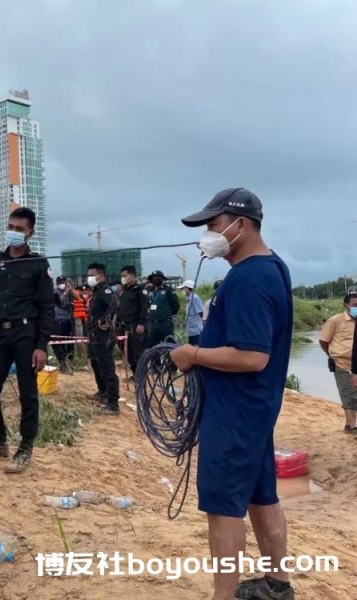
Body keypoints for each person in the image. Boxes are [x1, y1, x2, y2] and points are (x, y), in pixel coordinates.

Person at [170, 188, 294, 600]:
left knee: (223, 510)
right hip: (255, 411)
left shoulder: (248, 278)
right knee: (262, 497)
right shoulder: (271, 267)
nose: (208, 234)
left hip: (235, 413)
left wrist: (192, 354)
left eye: (213, 224)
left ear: (240, 224)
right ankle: (278, 583)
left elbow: (252, 356)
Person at [0, 207, 54, 474]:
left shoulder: (39, 264)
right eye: (11, 227)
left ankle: (25, 449)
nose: (13, 233)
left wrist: (42, 345)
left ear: (30, 232)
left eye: (19, 229)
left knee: (28, 394)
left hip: (26, 335)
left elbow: (47, 308)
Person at [320, 293, 357, 433]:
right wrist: (333, 355)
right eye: (355, 305)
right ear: (346, 305)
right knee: (347, 394)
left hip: (356, 365)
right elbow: (324, 341)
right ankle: (353, 426)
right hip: (342, 363)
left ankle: (349, 425)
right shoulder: (335, 320)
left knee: (355, 395)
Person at [86, 263, 120, 414]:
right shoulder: (97, 291)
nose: (89, 278)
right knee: (96, 364)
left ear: (100, 275)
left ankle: (113, 404)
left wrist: (105, 320)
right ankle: (102, 393)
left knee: (107, 368)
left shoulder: (105, 290)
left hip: (103, 337)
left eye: (92, 275)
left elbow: (115, 303)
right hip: (94, 335)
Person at [118, 265, 148, 377]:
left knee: (137, 352)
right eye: (122, 276)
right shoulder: (124, 290)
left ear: (133, 276)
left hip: (136, 325)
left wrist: (141, 323)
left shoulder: (140, 290)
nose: (123, 278)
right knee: (129, 353)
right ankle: (135, 374)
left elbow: (144, 308)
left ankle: (141, 376)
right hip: (124, 326)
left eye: (125, 276)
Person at [144, 269, 180, 348]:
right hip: (152, 324)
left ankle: (169, 360)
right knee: (153, 348)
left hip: (165, 323)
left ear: (162, 279)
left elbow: (176, 305)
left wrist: (168, 314)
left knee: (169, 346)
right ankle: (155, 361)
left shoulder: (168, 290)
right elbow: (146, 305)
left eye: (158, 277)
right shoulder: (149, 291)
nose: (156, 279)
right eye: (154, 278)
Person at [52, 276, 74, 374]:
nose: (63, 284)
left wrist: (71, 289)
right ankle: (62, 364)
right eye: (61, 282)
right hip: (58, 320)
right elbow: (60, 301)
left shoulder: (69, 291)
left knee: (69, 342)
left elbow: (78, 297)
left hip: (68, 319)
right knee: (58, 343)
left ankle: (69, 362)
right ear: (57, 283)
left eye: (64, 282)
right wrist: (65, 292)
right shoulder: (55, 292)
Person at [180, 279, 204, 345]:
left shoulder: (195, 298)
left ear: (188, 288)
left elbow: (201, 313)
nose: (183, 290)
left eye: (183, 288)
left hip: (196, 330)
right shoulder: (189, 299)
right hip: (191, 331)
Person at [71, 283, 88, 360]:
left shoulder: (83, 298)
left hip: (83, 319)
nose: (81, 292)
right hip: (77, 320)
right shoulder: (74, 298)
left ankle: (83, 355)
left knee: (83, 337)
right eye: (79, 291)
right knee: (79, 337)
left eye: (82, 291)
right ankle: (81, 355)